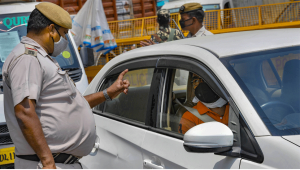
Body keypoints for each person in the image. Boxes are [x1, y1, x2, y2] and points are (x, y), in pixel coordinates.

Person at [2, 2, 130, 169]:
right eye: (63, 34)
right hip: (46, 164)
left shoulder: (42, 58)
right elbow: (25, 111)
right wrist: (48, 162)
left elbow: (68, 105)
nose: (65, 40)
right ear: (51, 30)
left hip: (60, 162)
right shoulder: (28, 59)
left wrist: (107, 93)